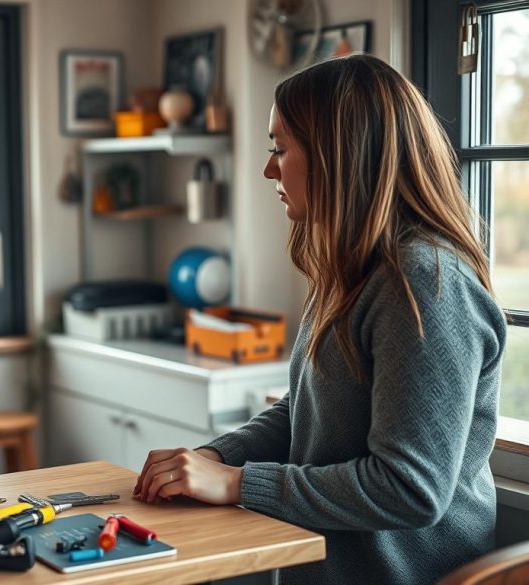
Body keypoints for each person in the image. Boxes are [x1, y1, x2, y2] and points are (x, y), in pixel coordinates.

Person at [133, 54, 507, 584]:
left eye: (280, 149)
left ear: (339, 156)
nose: (268, 169)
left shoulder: (423, 285)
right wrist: (213, 457)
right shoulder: (351, 270)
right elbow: (310, 411)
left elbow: (408, 488)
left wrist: (238, 483)